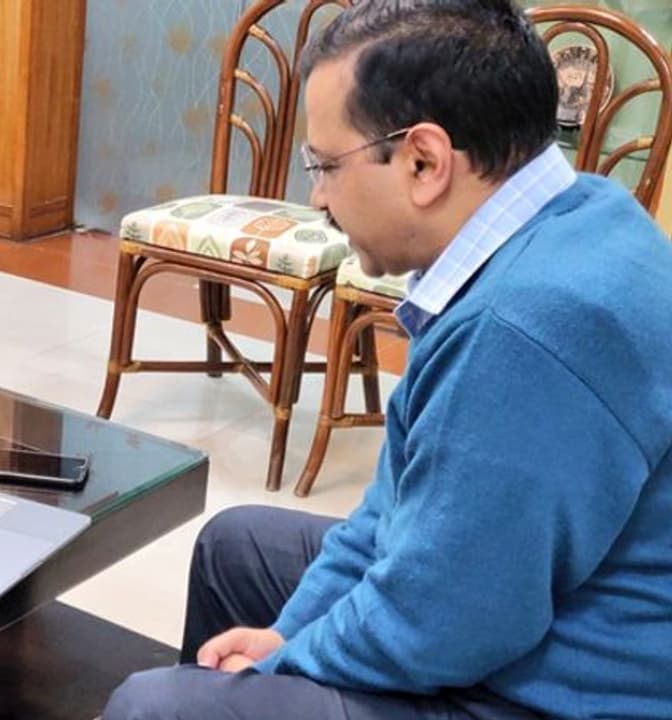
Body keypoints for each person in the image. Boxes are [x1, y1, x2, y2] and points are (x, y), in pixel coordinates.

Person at [103, 2, 672, 719]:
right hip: (519, 615)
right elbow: (401, 504)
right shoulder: (576, 212)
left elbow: (444, 623)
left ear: (424, 161)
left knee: (157, 708)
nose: (317, 197)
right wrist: (287, 633)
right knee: (236, 546)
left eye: (324, 165)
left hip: (558, 691)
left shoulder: (522, 329)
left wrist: (282, 663)